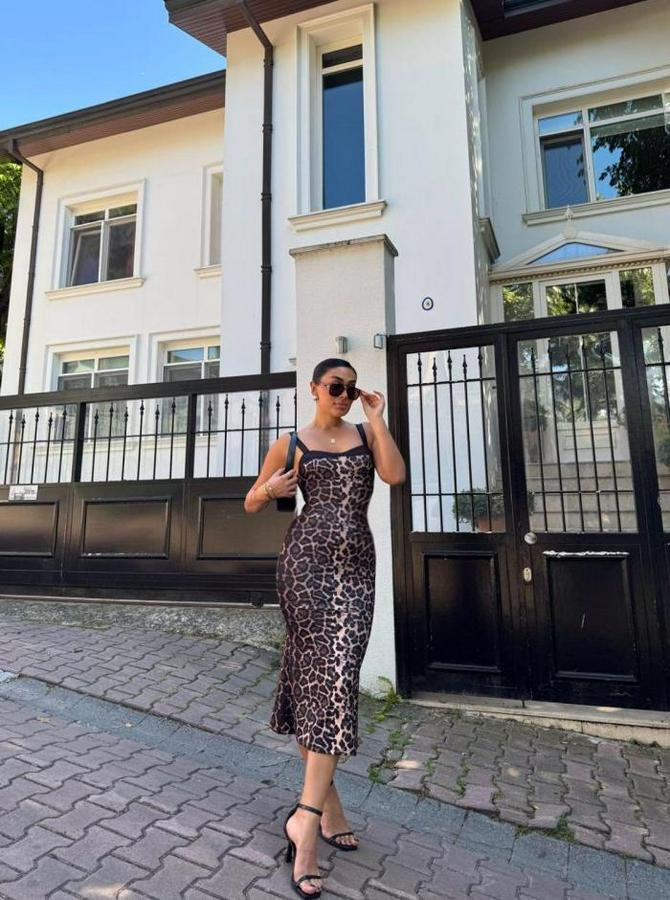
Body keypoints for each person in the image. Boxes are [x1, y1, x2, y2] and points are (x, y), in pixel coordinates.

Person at [244, 358, 406, 898]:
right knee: (324, 682)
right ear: (314, 388)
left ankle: (319, 809)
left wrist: (376, 416)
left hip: (356, 569)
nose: (343, 394)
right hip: (305, 569)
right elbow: (251, 501)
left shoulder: (365, 433)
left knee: (332, 680)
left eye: (350, 388)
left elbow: (394, 476)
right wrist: (271, 489)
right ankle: (310, 825)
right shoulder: (291, 443)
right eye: (335, 386)